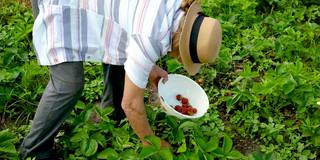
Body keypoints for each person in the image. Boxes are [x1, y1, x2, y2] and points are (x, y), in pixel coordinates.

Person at [20, 0, 222, 159]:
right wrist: (149, 140)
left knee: (117, 56)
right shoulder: (151, 36)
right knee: (68, 84)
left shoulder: (173, 6)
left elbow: (129, 27)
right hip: (61, 4)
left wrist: (148, 68)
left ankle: (112, 112)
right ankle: (34, 150)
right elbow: (132, 104)